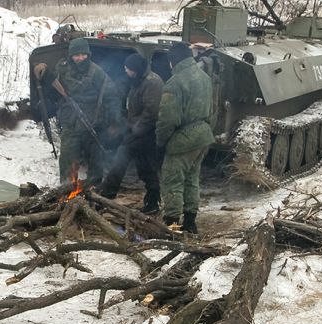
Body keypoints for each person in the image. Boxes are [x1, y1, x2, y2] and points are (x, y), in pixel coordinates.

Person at [34, 38, 116, 186]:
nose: (80, 58)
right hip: (70, 121)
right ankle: (66, 191)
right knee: (67, 159)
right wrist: (44, 73)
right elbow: (54, 90)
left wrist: (111, 120)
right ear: (71, 55)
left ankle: (93, 192)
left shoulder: (97, 72)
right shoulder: (62, 68)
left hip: (92, 122)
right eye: (76, 55)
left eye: (83, 55)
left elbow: (111, 95)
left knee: (95, 160)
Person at [156, 42, 214, 234]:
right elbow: (212, 110)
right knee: (192, 179)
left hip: (182, 140)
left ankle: (172, 224)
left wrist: (160, 142)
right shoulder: (204, 77)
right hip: (203, 136)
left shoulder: (175, 83)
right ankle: (190, 222)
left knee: (172, 180)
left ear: (173, 61)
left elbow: (168, 119)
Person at [99, 53, 164, 214]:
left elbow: (152, 112)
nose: (126, 72)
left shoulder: (152, 83)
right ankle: (152, 202)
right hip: (139, 129)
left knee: (121, 159)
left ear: (136, 69)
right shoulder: (139, 80)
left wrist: (136, 129)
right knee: (146, 167)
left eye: (128, 69)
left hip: (146, 132)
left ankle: (106, 197)